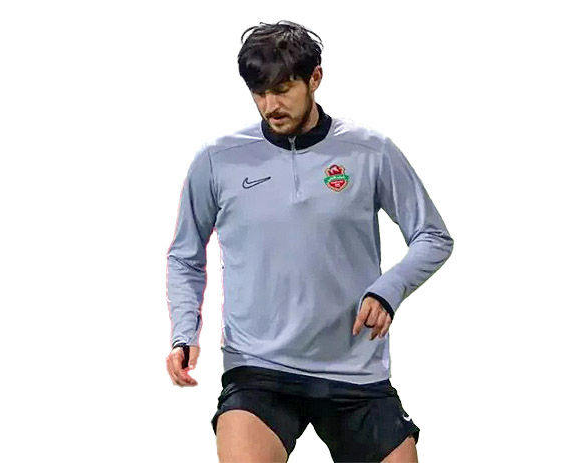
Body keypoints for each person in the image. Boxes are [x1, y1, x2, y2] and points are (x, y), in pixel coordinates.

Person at [165, 20, 454, 462]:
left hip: (355, 370)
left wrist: (388, 290)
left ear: (314, 78)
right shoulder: (217, 160)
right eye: (260, 93)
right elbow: (186, 257)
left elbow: (432, 236)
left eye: (283, 90)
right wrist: (184, 332)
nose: (271, 106)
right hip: (259, 368)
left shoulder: (370, 151)